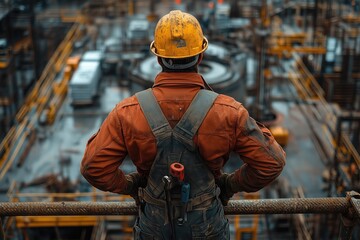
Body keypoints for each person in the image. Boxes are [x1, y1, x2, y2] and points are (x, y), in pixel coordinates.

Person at [81, 10, 286, 240]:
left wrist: (131, 185)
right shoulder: (229, 112)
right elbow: (272, 162)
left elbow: (92, 167)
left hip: (154, 227)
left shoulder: (127, 112)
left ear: (158, 59)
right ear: (200, 57)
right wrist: (230, 184)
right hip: (206, 227)